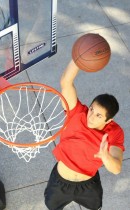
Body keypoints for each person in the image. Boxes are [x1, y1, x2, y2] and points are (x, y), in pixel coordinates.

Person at [44, 60, 125, 210]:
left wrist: (105, 156)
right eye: (92, 109)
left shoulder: (114, 132)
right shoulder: (77, 112)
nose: (91, 116)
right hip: (60, 181)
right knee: (51, 206)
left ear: (109, 120)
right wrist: (78, 58)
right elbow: (66, 82)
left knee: (95, 207)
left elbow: (116, 169)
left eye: (98, 116)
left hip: (88, 185)